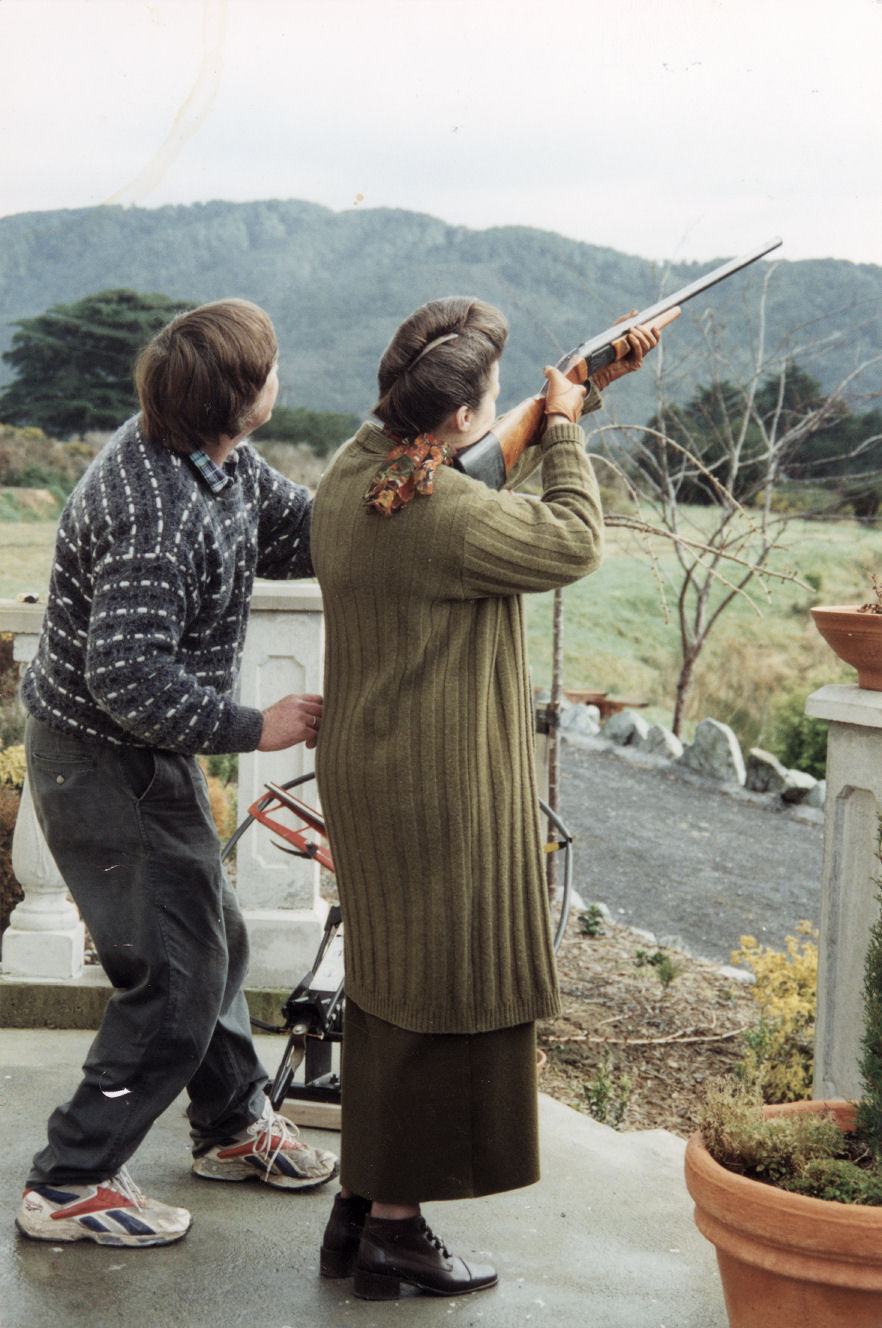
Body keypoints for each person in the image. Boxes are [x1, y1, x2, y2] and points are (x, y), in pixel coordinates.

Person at [309, 295, 671, 1299]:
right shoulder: (449, 517)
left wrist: (578, 392)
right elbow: (570, 539)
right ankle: (395, 1228)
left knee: (388, 988)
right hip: (442, 781)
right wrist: (563, 426)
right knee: (446, 991)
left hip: (372, 771)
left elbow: (458, 472)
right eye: (493, 401)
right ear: (459, 417)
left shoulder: (353, 474)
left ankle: (359, 1201)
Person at [16, 298, 338, 1249]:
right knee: (173, 973)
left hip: (141, 751)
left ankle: (232, 1124)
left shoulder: (217, 463)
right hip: (102, 759)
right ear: (241, 399)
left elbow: (307, 534)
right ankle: (70, 1180)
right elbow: (125, 676)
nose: (282, 375)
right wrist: (255, 725)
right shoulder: (152, 509)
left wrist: (423, 478)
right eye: (271, 366)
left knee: (216, 945)